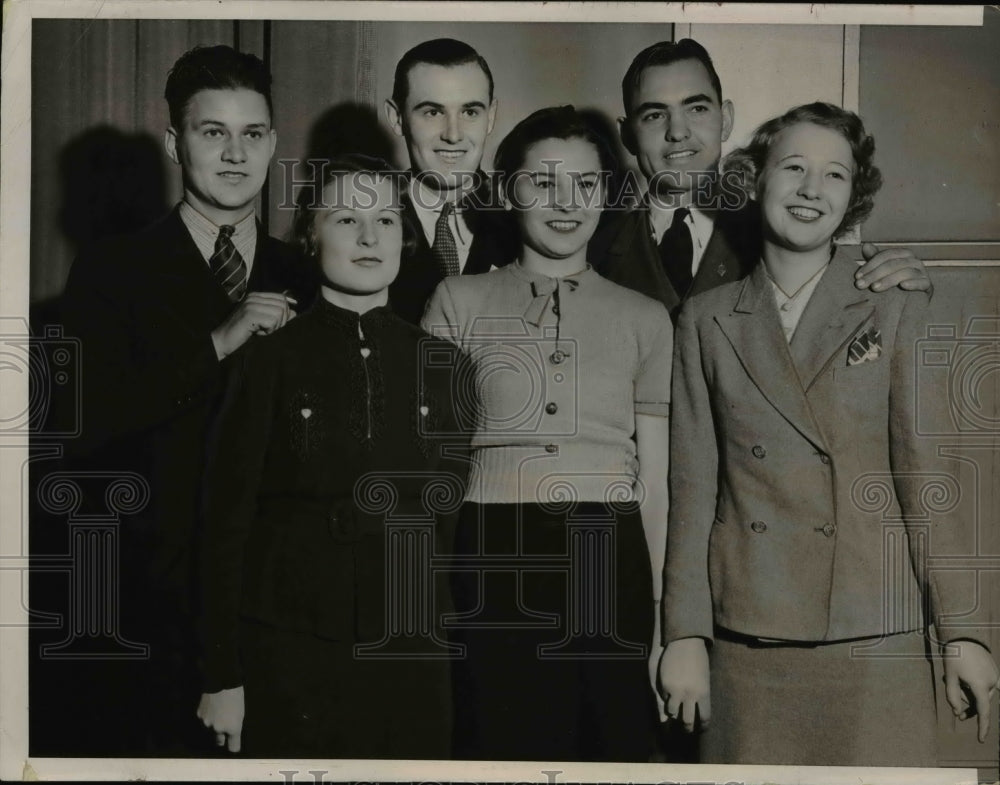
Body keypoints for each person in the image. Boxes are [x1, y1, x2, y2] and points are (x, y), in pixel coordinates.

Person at [659, 102, 1000, 766]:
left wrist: (965, 633)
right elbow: (693, 490)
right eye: (793, 168)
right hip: (747, 635)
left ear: (854, 198)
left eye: (835, 175)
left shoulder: (898, 301)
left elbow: (930, 481)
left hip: (875, 633)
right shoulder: (703, 319)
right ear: (756, 180)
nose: (812, 189)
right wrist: (684, 634)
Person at [58, 44, 311, 755]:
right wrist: (217, 342)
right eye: (212, 132)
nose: (236, 155)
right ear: (175, 142)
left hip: (275, 608)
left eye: (253, 134)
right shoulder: (113, 270)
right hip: (148, 611)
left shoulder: (308, 272)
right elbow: (81, 429)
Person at [196, 155, 470, 758]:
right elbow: (225, 520)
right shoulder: (268, 357)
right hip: (292, 648)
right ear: (308, 236)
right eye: (346, 219)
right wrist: (222, 675)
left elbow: (449, 530)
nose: (370, 237)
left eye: (387, 220)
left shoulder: (446, 365)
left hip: (413, 652)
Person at [422, 106, 670, 762]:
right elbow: (432, 462)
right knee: (498, 744)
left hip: (607, 554)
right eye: (543, 183)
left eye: (585, 185)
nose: (566, 203)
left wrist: (663, 615)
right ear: (508, 191)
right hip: (489, 550)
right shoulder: (456, 299)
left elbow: (657, 484)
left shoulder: (646, 318)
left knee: (610, 748)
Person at [591, 39, 931, 322]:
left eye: (697, 109)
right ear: (627, 134)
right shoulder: (596, 250)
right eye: (654, 115)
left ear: (725, 120)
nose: (678, 132)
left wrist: (909, 287)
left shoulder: (791, 226)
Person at [384, 38, 515, 324]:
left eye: (470, 112)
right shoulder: (365, 226)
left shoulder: (523, 225)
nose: (453, 135)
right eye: (433, 112)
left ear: (490, 117)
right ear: (397, 118)